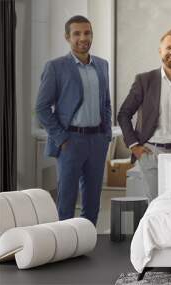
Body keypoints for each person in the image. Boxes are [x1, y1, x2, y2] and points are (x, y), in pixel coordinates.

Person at [35, 15, 112, 225]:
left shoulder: (103, 65)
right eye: (77, 33)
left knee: (93, 200)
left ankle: (86, 242)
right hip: (70, 141)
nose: (83, 38)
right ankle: (64, 247)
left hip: (97, 141)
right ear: (67, 37)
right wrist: (61, 138)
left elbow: (106, 103)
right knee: (66, 201)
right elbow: (41, 108)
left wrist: (106, 135)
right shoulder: (56, 67)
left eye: (87, 33)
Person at [117, 29, 171, 201]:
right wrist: (134, 145)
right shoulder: (144, 80)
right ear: (160, 51)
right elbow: (124, 114)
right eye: (168, 48)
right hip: (150, 152)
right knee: (155, 204)